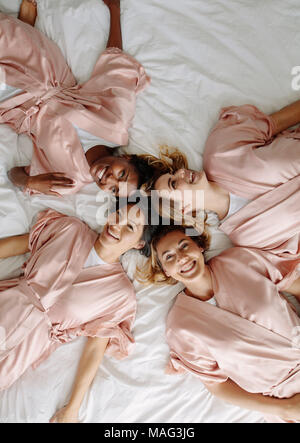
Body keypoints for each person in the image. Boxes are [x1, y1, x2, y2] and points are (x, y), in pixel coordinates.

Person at [0, 200, 151, 423]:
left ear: (139, 244)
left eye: (130, 227)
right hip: (10, 302)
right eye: (119, 214)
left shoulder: (120, 295)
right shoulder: (70, 229)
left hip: (29, 344)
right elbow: (20, 244)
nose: (117, 224)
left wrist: (72, 408)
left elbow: (94, 350)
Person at [138, 225, 300, 423]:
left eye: (184, 246)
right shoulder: (180, 326)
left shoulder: (238, 261)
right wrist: (284, 409)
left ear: (199, 247)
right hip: (283, 401)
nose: (181, 257)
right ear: (166, 271)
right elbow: (217, 386)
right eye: (169, 257)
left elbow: (295, 284)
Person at [0, 0, 154, 197]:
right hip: (43, 73)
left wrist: (30, 181)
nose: (109, 180)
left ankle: (25, 23)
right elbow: (115, 65)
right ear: (127, 158)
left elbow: (14, 175)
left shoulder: (69, 181)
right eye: (121, 174)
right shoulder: (115, 123)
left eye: (114, 190)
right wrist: (114, 10)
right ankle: (24, 26)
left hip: (14, 107)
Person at [142, 99, 300, 254]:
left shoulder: (220, 153)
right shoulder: (245, 234)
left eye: (173, 173)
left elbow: (277, 122)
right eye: (174, 184)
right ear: (184, 209)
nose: (181, 172)